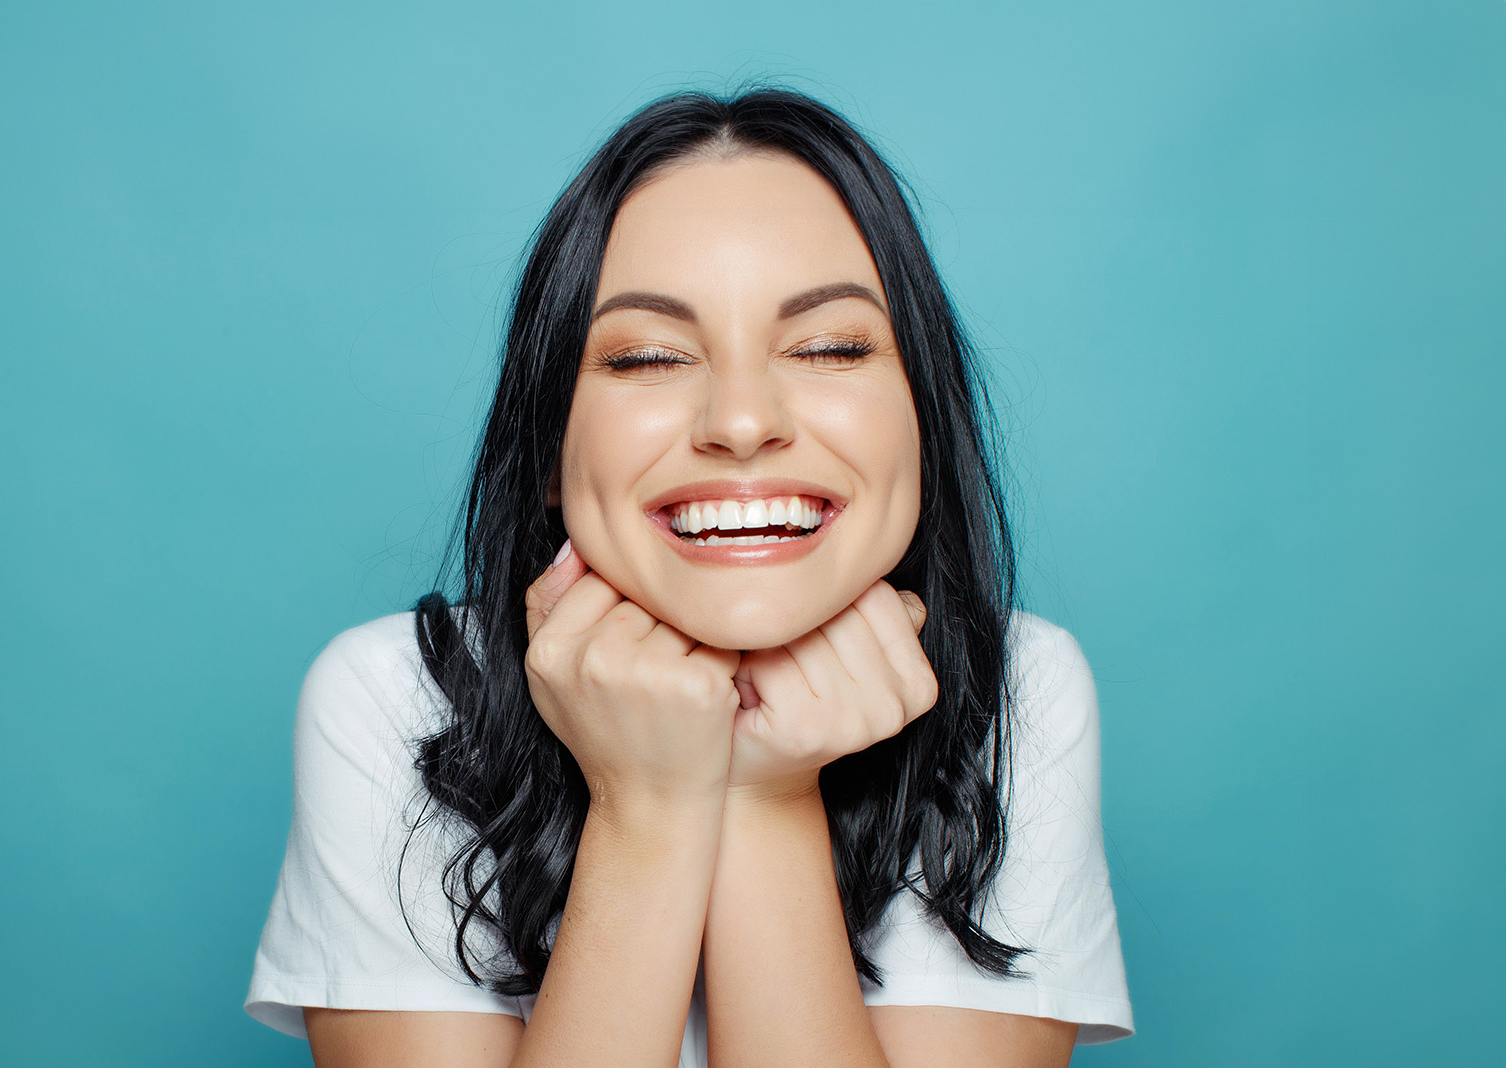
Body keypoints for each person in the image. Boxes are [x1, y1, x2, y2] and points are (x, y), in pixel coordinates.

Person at [245, 86, 1133, 1067]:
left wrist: (767, 796)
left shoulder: (1019, 691)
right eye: (648, 358)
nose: (742, 421)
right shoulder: (394, 699)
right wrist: (648, 808)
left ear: (922, 419)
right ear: (546, 447)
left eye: (830, 346)